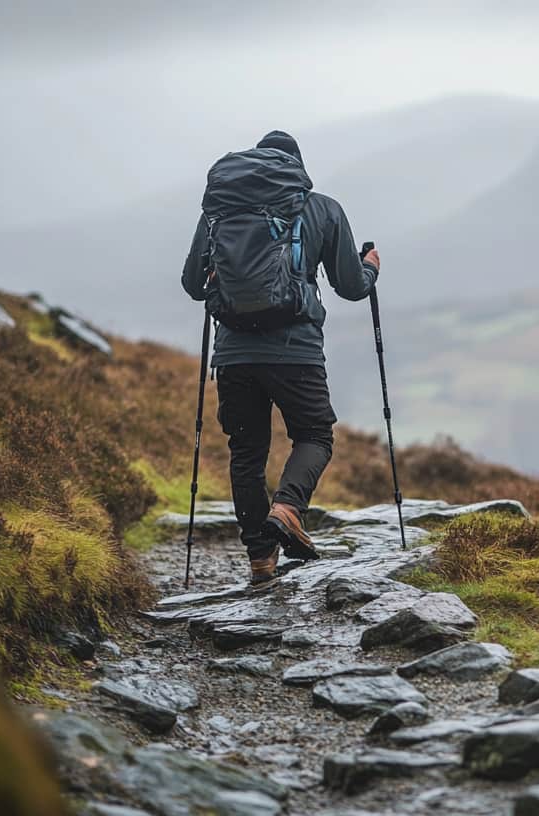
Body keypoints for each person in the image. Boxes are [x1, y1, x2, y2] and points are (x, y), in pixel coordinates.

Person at [181, 130, 379, 586]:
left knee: (246, 453)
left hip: (233, 353)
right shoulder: (321, 207)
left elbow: (194, 285)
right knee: (314, 434)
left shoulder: (218, 212)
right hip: (296, 352)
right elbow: (350, 286)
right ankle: (288, 508)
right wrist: (370, 266)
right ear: (296, 168)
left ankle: (261, 559)